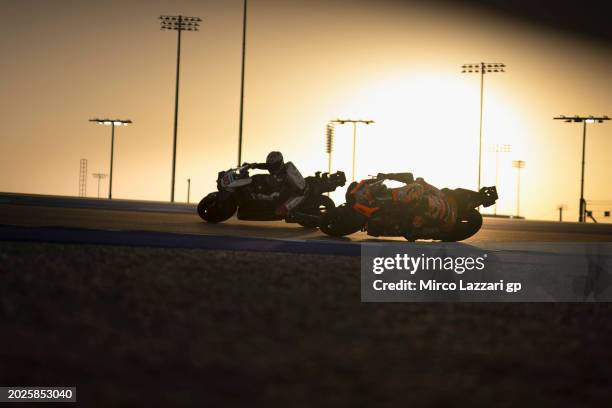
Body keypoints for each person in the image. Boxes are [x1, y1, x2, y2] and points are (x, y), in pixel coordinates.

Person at [243, 151, 306, 216]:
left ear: (280, 163)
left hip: (299, 194)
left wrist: (280, 197)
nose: (271, 168)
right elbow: (267, 166)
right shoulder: (278, 168)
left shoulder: (288, 173)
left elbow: (300, 191)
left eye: (274, 165)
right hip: (288, 190)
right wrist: (253, 165)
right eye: (270, 165)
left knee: (278, 212)